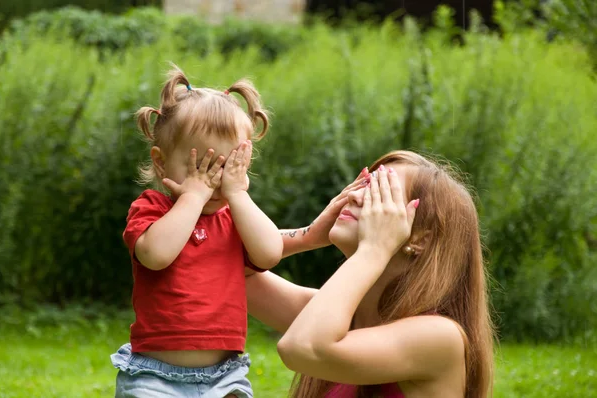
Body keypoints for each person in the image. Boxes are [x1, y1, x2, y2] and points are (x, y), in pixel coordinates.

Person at [247, 150, 495, 398]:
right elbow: (230, 269)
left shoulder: (440, 337)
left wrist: (374, 249)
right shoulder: (329, 319)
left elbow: (302, 348)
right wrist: (307, 237)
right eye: (363, 183)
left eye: (379, 192)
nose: (352, 195)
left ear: (421, 237)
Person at [111, 65, 282, 398]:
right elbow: (156, 256)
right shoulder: (152, 209)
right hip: (155, 376)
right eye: (204, 166)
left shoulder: (236, 216)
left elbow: (270, 253)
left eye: (227, 166)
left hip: (225, 375)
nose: (214, 180)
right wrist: (192, 195)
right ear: (161, 163)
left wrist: (238, 194)